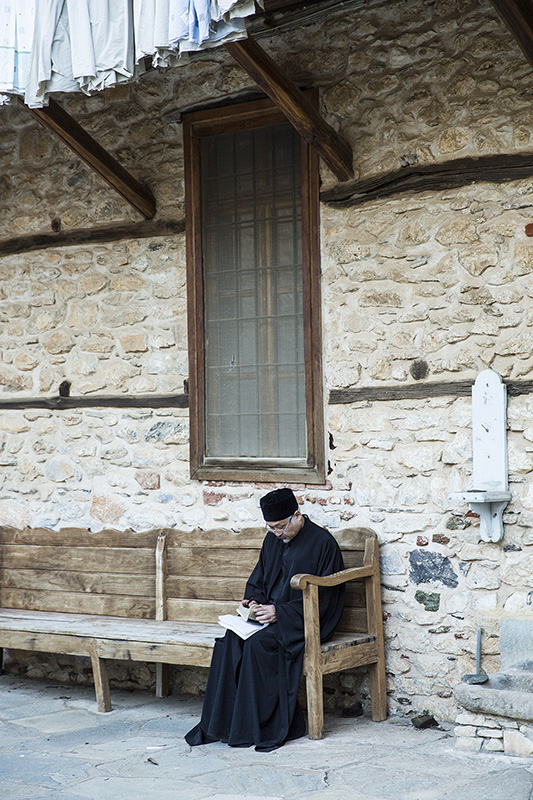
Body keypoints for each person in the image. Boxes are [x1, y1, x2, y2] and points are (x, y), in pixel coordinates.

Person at [185, 487, 345, 752]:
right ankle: (223, 726)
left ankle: (262, 727)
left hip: (304, 622)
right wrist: (253, 602)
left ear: (297, 516)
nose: (277, 533)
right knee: (231, 639)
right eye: (271, 528)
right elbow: (258, 579)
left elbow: (326, 598)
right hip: (271, 619)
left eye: (281, 527)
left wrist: (280, 614)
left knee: (261, 645)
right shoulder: (272, 540)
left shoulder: (322, 543)